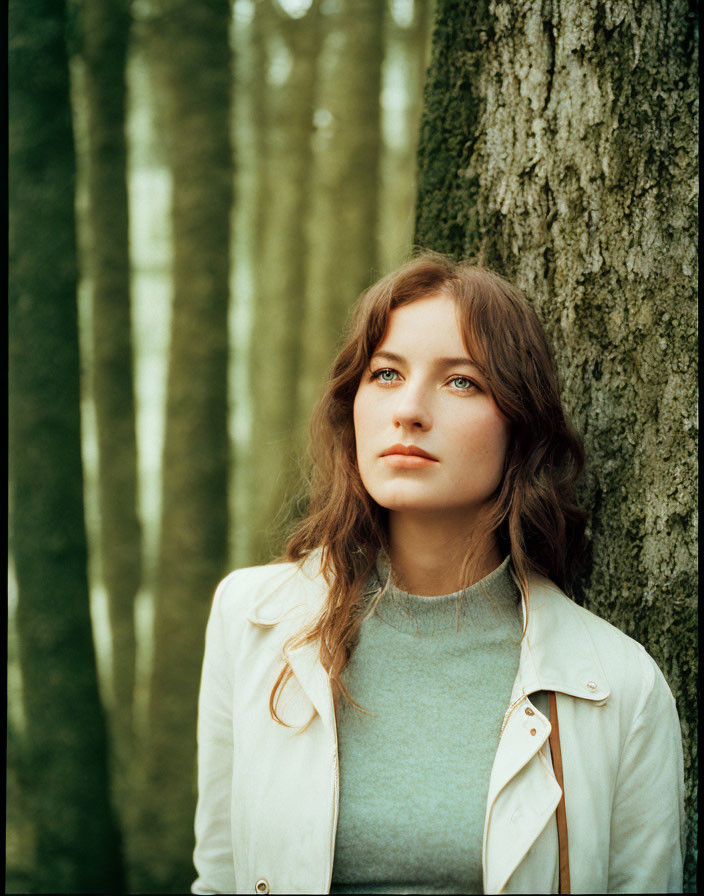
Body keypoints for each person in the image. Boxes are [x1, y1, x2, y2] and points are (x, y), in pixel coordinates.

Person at [191, 253, 685, 895]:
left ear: (520, 424)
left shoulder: (618, 688)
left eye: (461, 382)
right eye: (387, 373)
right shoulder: (252, 619)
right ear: (355, 406)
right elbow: (220, 877)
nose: (410, 411)